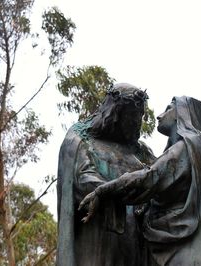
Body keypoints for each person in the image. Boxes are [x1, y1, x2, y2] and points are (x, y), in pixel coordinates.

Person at [80, 96, 201, 265]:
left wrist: (102, 190)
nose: (159, 115)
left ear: (181, 114)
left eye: (168, 109)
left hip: (190, 255)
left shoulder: (192, 143)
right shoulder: (197, 147)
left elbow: (150, 177)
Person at [57, 83, 155, 266]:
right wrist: (118, 189)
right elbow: (83, 179)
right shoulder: (82, 141)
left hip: (138, 239)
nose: (137, 123)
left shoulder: (142, 151)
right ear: (114, 115)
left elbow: (160, 178)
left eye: (140, 117)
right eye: (132, 117)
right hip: (101, 238)